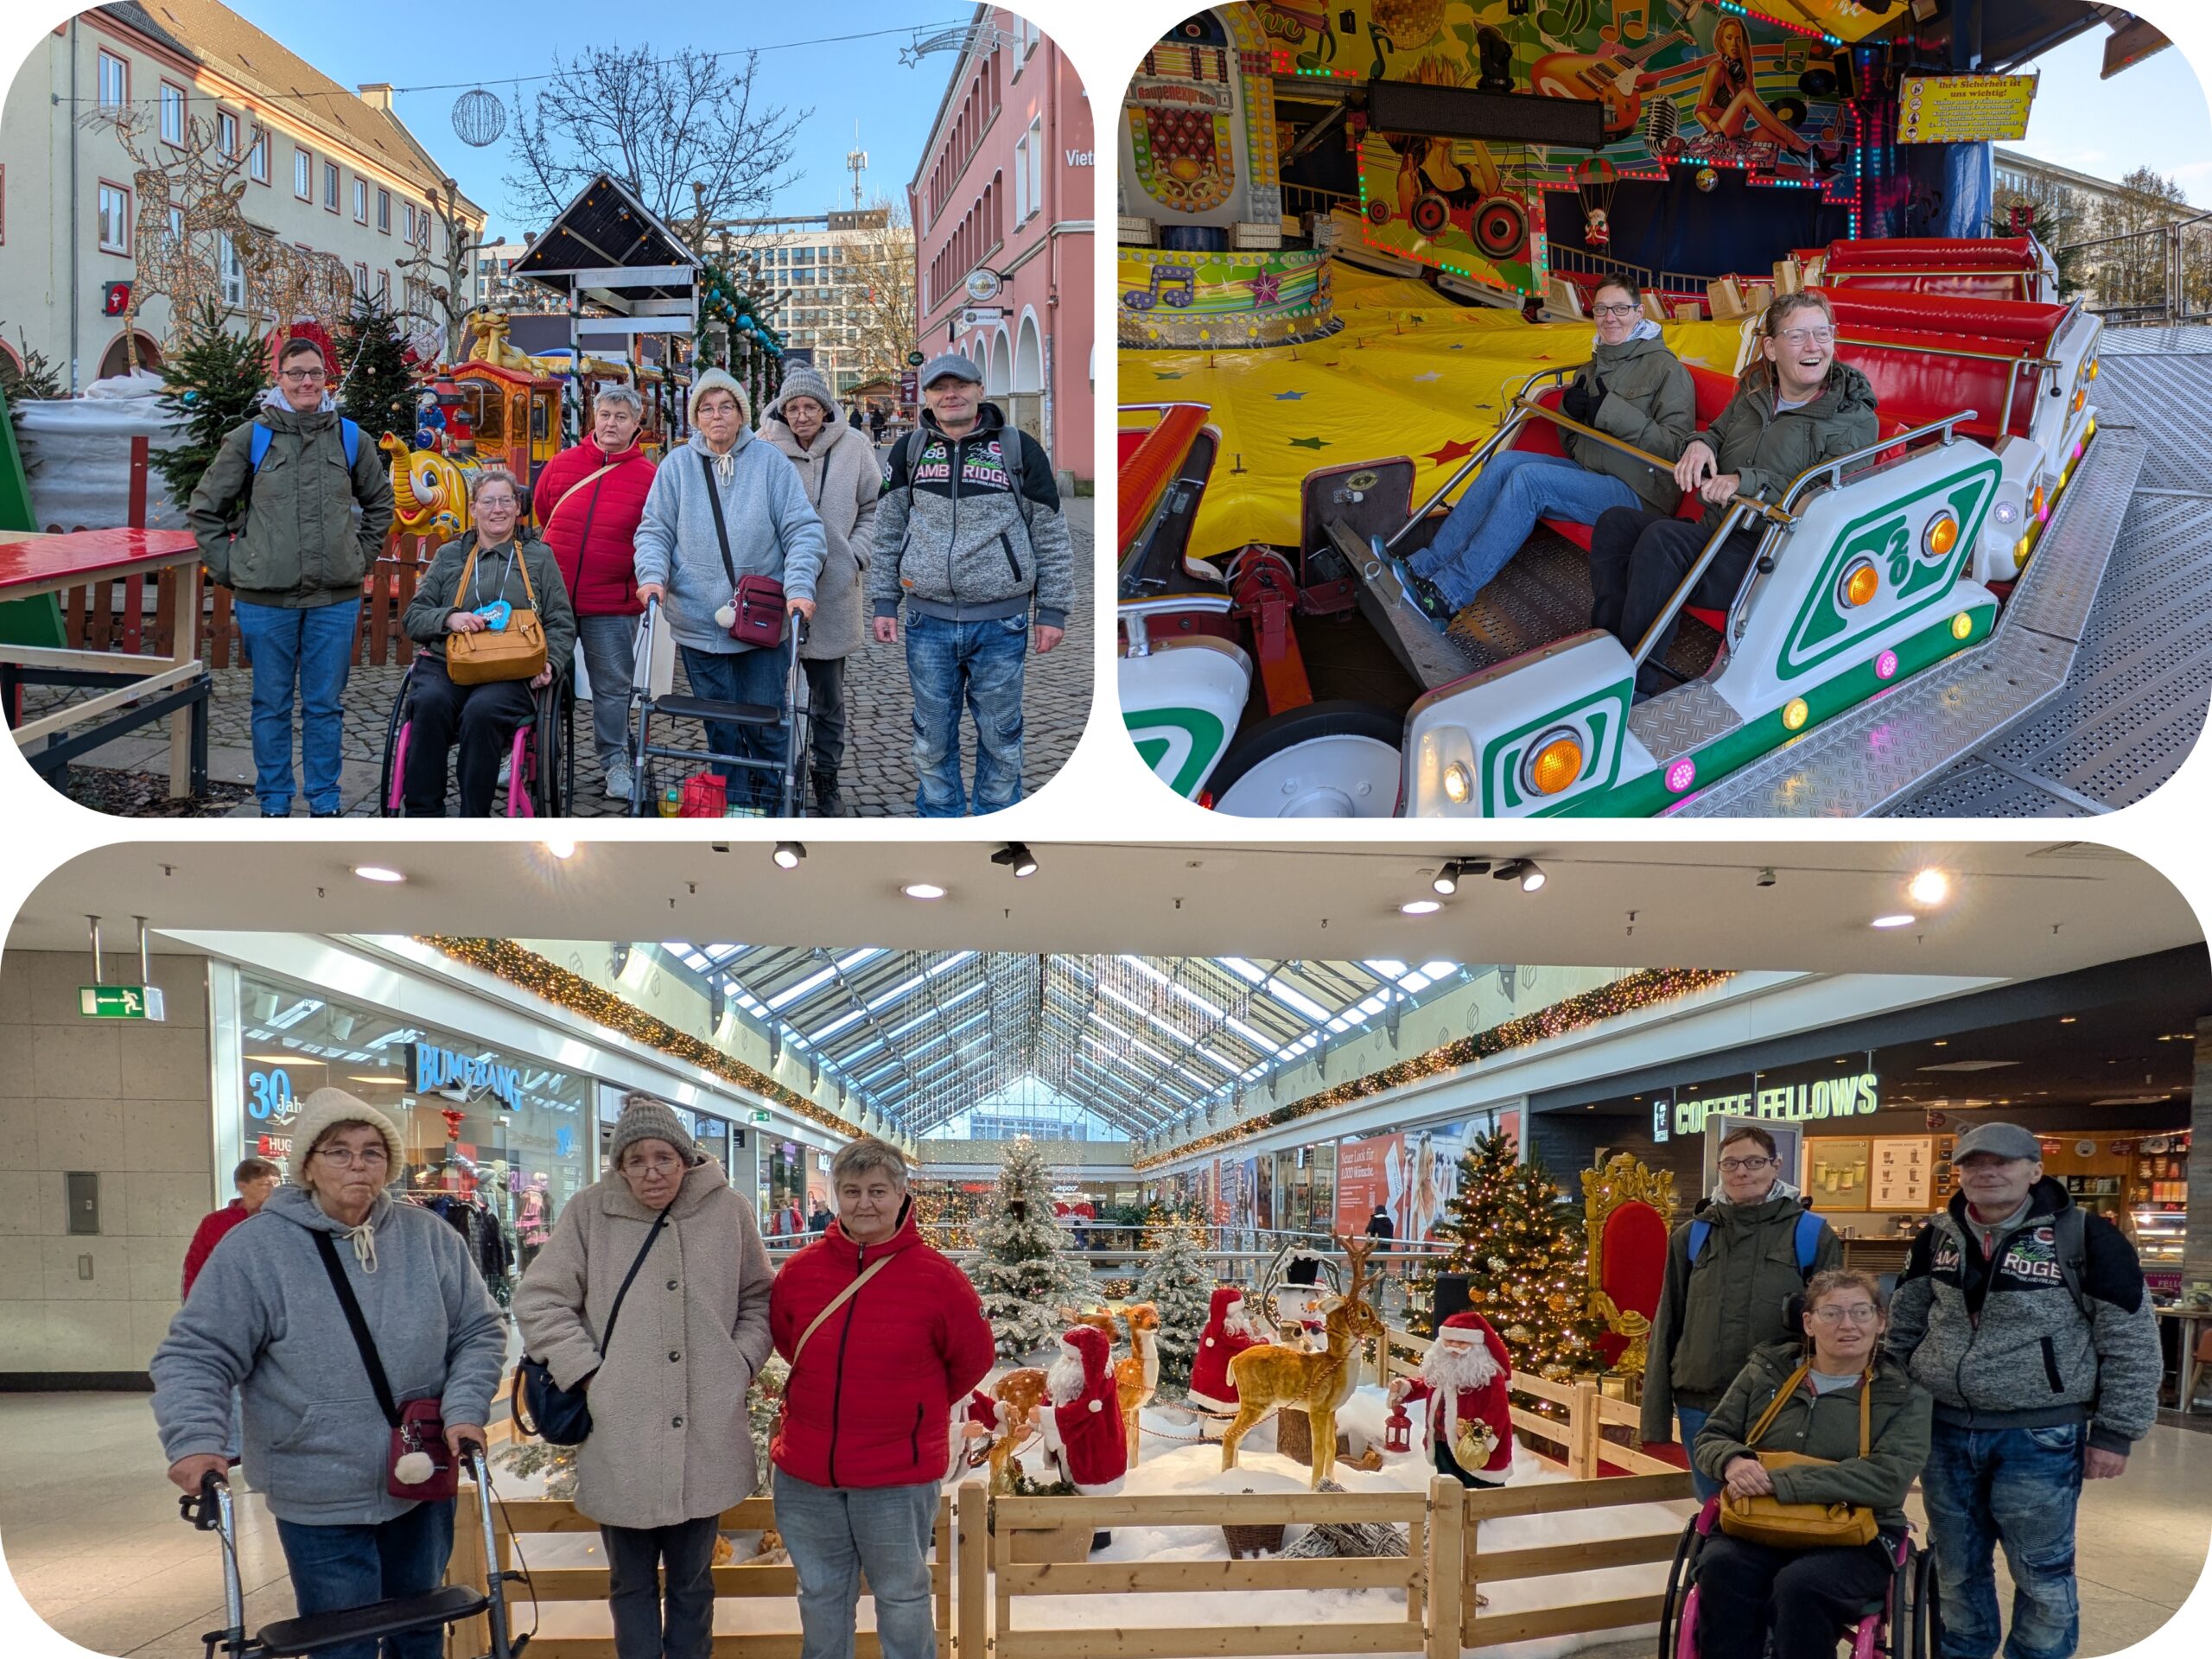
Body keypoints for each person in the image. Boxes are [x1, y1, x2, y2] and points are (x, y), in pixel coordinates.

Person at [150, 1090, 504, 1659]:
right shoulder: (256, 1249)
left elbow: (479, 1331)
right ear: (308, 1165)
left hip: (421, 1474)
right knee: (344, 1644)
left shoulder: (430, 1238)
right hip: (316, 1483)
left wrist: (464, 1410)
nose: (357, 1165)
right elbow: (197, 1354)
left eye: (372, 1152)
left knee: (422, 1632)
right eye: (339, 1152)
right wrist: (195, 1440)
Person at [1886, 1122, 2162, 1659]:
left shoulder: (2088, 1238)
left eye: (2003, 1162)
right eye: (1973, 1163)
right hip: (1942, 1430)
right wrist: (1895, 1402)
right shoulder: (1937, 1237)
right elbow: (1905, 1325)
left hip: (2040, 1435)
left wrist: (2115, 1433)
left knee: (2042, 1571)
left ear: (2035, 1170)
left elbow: (2131, 1339)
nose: (1987, 1172)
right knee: (1955, 1567)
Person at [514, 1095, 773, 1659]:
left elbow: (759, 1297)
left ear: (685, 1158)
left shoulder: (728, 1211)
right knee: (629, 1584)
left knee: (693, 1583)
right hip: (622, 1434)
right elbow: (539, 1299)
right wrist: (587, 1373)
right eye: (636, 1160)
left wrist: (741, 1362)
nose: (651, 1172)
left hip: (705, 1432)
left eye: (663, 1158)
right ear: (621, 1165)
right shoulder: (590, 1212)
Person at [769, 1137, 995, 1659]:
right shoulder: (801, 1271)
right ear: (836, 1196)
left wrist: (914, 1405)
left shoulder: (938, 1278)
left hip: (897, 1475)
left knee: (902, 1596)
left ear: (901, 1195)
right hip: (808, 1471)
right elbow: (788, 1341)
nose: (864, 1203)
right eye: (852, 1191)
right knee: (821, 1595)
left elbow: (973, 1358)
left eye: (877, 1191)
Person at [1588, 291, 1876, 696]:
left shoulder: (1852, 418)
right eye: (1797, 336)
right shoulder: (1756, 392)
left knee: (1663, 540)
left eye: (1822, 333)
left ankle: (1637, 684)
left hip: (1772, 554)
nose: (1814, 346)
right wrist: (1699, 444)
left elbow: (1824, 496)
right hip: (1720, 530)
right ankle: (1610, 652)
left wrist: (1746, 481)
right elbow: (1718, 432)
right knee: (1615, 523)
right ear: (1771, 348)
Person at [1386, 277, 1694, 621]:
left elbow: (1676, 449)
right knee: (1504, 463)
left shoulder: (1668, 370)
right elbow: (1574, 446)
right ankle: (1423, 567)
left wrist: (1611, 413)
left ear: (1639, 312)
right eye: (1602, 309)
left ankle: (1447, 594)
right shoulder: (1593, 366)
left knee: (1530, 482)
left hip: (1639, 492)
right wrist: (1570, 414)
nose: (1610, 318)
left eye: (1620, 309)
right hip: (1593, 474)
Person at [186, 336, 394, 817]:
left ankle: (325, 799)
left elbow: (380, 503)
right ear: (277, 378)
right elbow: (206, 510)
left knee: (325, 706)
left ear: (326, 379)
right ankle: (275, 801)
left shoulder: (350, 438)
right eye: (296, 373)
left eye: (315, 373)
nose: (306, 382)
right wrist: (232, 568)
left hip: (334, 600)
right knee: (270, 705)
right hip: (266, 602)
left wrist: (359, 557)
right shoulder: (251, 438)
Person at [870, 353, 1076, 817]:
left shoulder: (1018, 449)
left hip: (1001, 623)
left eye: (960, 385)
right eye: (940, 388)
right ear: (927, 398)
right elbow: (887, 530)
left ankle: (995, 820)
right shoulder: (909, 452)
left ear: (980, 390)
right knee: (931, 737)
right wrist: (884, 601)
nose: (951, 395)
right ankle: (940, 819)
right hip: (927, 622)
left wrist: (1052, 610)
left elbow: (1051, 534)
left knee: (1001, 737)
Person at [1691, 1269, 1932, 1659]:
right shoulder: (1767, 1371)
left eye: (1861, 1312)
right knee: (1721, 1568)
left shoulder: (1904, 1395)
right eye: (1832, 1313)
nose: (1848, 1325)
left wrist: (1780, 1481)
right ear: (1808, 1323)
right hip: (1758, 1524)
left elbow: (1887, 1479)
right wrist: (1731, 1460)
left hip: (1858, 1536)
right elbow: (1712, 1436)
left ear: (1881, 1321)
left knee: (1800, 1586)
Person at [633, 368, 826, 810]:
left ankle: (775, 806)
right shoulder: (676, 466)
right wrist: (652, 577)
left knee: (765, 724)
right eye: (706, 408)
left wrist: (799, 587)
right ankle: (737, 808)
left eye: (726, 407)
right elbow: (655, 530)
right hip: (698, 623)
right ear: (695, 418)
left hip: (761, 622)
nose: (716, 416)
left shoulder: (770, 463)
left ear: (741, 414)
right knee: (720, 728)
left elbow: (803, 530)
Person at [1642, 1124, 1842, 1500]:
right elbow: (1668, 1322)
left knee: (1776, 1510)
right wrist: (1654, 1414)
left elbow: (1834, 1328)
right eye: (1730, 1163)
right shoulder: (1692, 1236)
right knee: (1713, 1508)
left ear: (1775, 1165)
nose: (1741, 1172)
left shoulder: (1811, 1234)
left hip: (1782, 1401)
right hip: (1701, 1401)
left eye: (1753, 1162)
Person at [399, 467, 577, 817]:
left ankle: (474, 819)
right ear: (474, 508)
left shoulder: (539, 557)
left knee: (481, 713)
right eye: (488, 501)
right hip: (448, 664)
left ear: (518, 507)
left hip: (511, 670)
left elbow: (561, 622)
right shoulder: (450, 556)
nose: (498, 509)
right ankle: (423, 815)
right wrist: (449, 618)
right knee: (430, 703)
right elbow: (414, 616)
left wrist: (551, 663)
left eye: (506, 501)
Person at [760, 366, 881, 817]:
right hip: (775, 590)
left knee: (828, 698)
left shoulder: (855, 447)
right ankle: (775, 774)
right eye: (793, 408)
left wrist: (856, 554)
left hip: (833, 591)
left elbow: (875, 506)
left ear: (825, 408)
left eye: (810, 406)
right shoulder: (764, 447)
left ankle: (825, 776)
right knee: (770, 693)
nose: (801, 415)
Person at [534, 386, 658, 803]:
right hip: (554, 601)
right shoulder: (562, 464)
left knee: (612, 688)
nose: (611, 424)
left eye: (621, 417)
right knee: (537, 675)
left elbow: (654, 534)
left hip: (611, 602)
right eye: (605, 414)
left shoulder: (649, 478)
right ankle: (530, 751)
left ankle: (615, 760)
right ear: (594, 417)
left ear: (636, 424)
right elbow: (544, 512)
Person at [1388, 1309, 1515, 1488]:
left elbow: (1498, 1410)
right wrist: (1405, 1387)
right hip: (1442, 1442)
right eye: (1449, 1341)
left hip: (1474, 1447)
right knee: (1448, 1488)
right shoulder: (1444, 1367)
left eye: (1461, 1342)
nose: (1454, 1346)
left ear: (1476, 1345)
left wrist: (1478, 1433)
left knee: (1479, 1489)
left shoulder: (1489, 1374)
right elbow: (1428, 1384)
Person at [181, 1156, 281, 1300]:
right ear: (243, 1186)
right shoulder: (215, 1222)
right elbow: (195, 1266)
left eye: (277, 1183)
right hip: (224, 1300)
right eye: (264, 1184)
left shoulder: (280, 1220)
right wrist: (192, 1302)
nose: (273, 1189)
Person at [1186, 1287, 1263, 1414]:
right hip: (1221, 1390)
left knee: (1208, 1415)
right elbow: (1250, 1345)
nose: (1241, 1314)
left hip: (1207, 1386)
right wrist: (1269, 1338)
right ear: (1231, 1311)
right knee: (1220, 1419)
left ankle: (1205, 1424)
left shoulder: (1213, 1326)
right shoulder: (1228, 1329)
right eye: (1238, 1311)